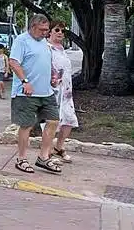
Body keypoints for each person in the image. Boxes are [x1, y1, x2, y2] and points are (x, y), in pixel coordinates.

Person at [8, 14, 63, 175]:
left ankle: (43, 157)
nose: (45, 33)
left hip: (46, 91)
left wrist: (52, 77)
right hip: (26, 93)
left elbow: (45, 63)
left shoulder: (44, 43)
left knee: (53, 120)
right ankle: (21, 159)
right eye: (42, 30)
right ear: (33, 27)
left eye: (47, 30)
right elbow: (13, 62)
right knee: (27, 125)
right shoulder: (22, 41)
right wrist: (25, 81)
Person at [48, 21, 78, 163]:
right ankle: (47, 152)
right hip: (53, 90)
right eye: (57, 30)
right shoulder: (47, 48)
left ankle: (58, 147)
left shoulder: (61, 48)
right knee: (52, 121)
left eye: (62, 31)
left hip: (66, 91)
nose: (60, 32)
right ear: (50, 32)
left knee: (69, 119)